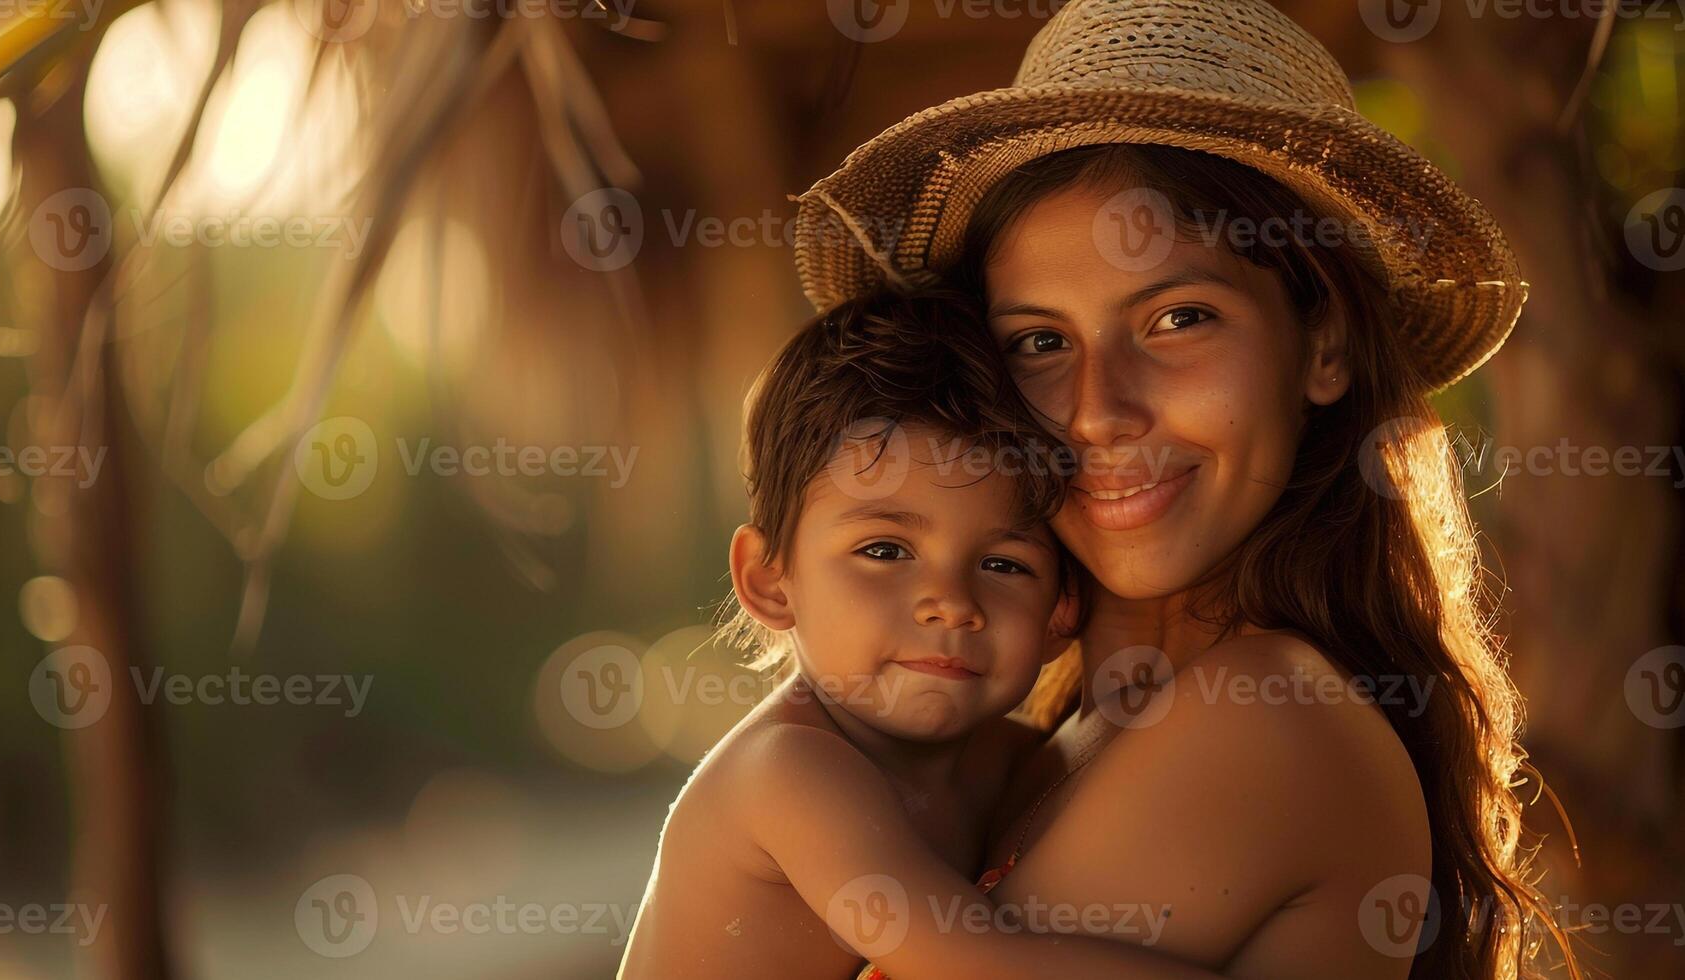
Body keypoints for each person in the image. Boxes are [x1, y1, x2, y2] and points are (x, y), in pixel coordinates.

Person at [790, 1, 1584, 978]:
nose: (1098, 411)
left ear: (1323, 340)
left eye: (1177, 318)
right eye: (1039, 341)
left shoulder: (1265, 715)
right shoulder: (1061, 732)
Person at [618, 287, 1234, 980]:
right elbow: (978, 968)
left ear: (1060, 611)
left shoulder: (1019, 766)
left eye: (1003, 565)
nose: (950, 604)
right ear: (768, 579)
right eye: (884, 551)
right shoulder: (786, 774)